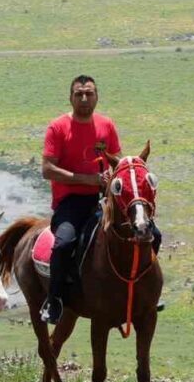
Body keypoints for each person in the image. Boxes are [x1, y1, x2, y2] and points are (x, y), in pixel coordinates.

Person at [39, 74, 161, 323]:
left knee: (153, 234)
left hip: (101, 200)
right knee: (63, 244)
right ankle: (55, 300)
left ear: (97, 96)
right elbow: (47, 169)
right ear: (70, 98)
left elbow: (116, 161)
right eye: (79, 94)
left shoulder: (106, 126)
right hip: (70, 203)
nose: (84, 98)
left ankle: (144, 290)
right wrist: (89, 179)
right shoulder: (58, 127)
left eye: (89, 93)